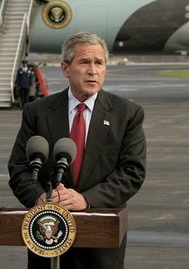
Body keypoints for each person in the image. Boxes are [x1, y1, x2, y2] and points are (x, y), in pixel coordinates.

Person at [8, 31, 147, 269]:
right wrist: (40, 197)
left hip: (100, 243)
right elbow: (19, 168)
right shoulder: (37, 111)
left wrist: (85, 199)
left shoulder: (127, 113)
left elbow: (132, 172)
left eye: (99, 63)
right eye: (84, 62)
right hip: (48, 234)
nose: (93, 70)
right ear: (65, 68)